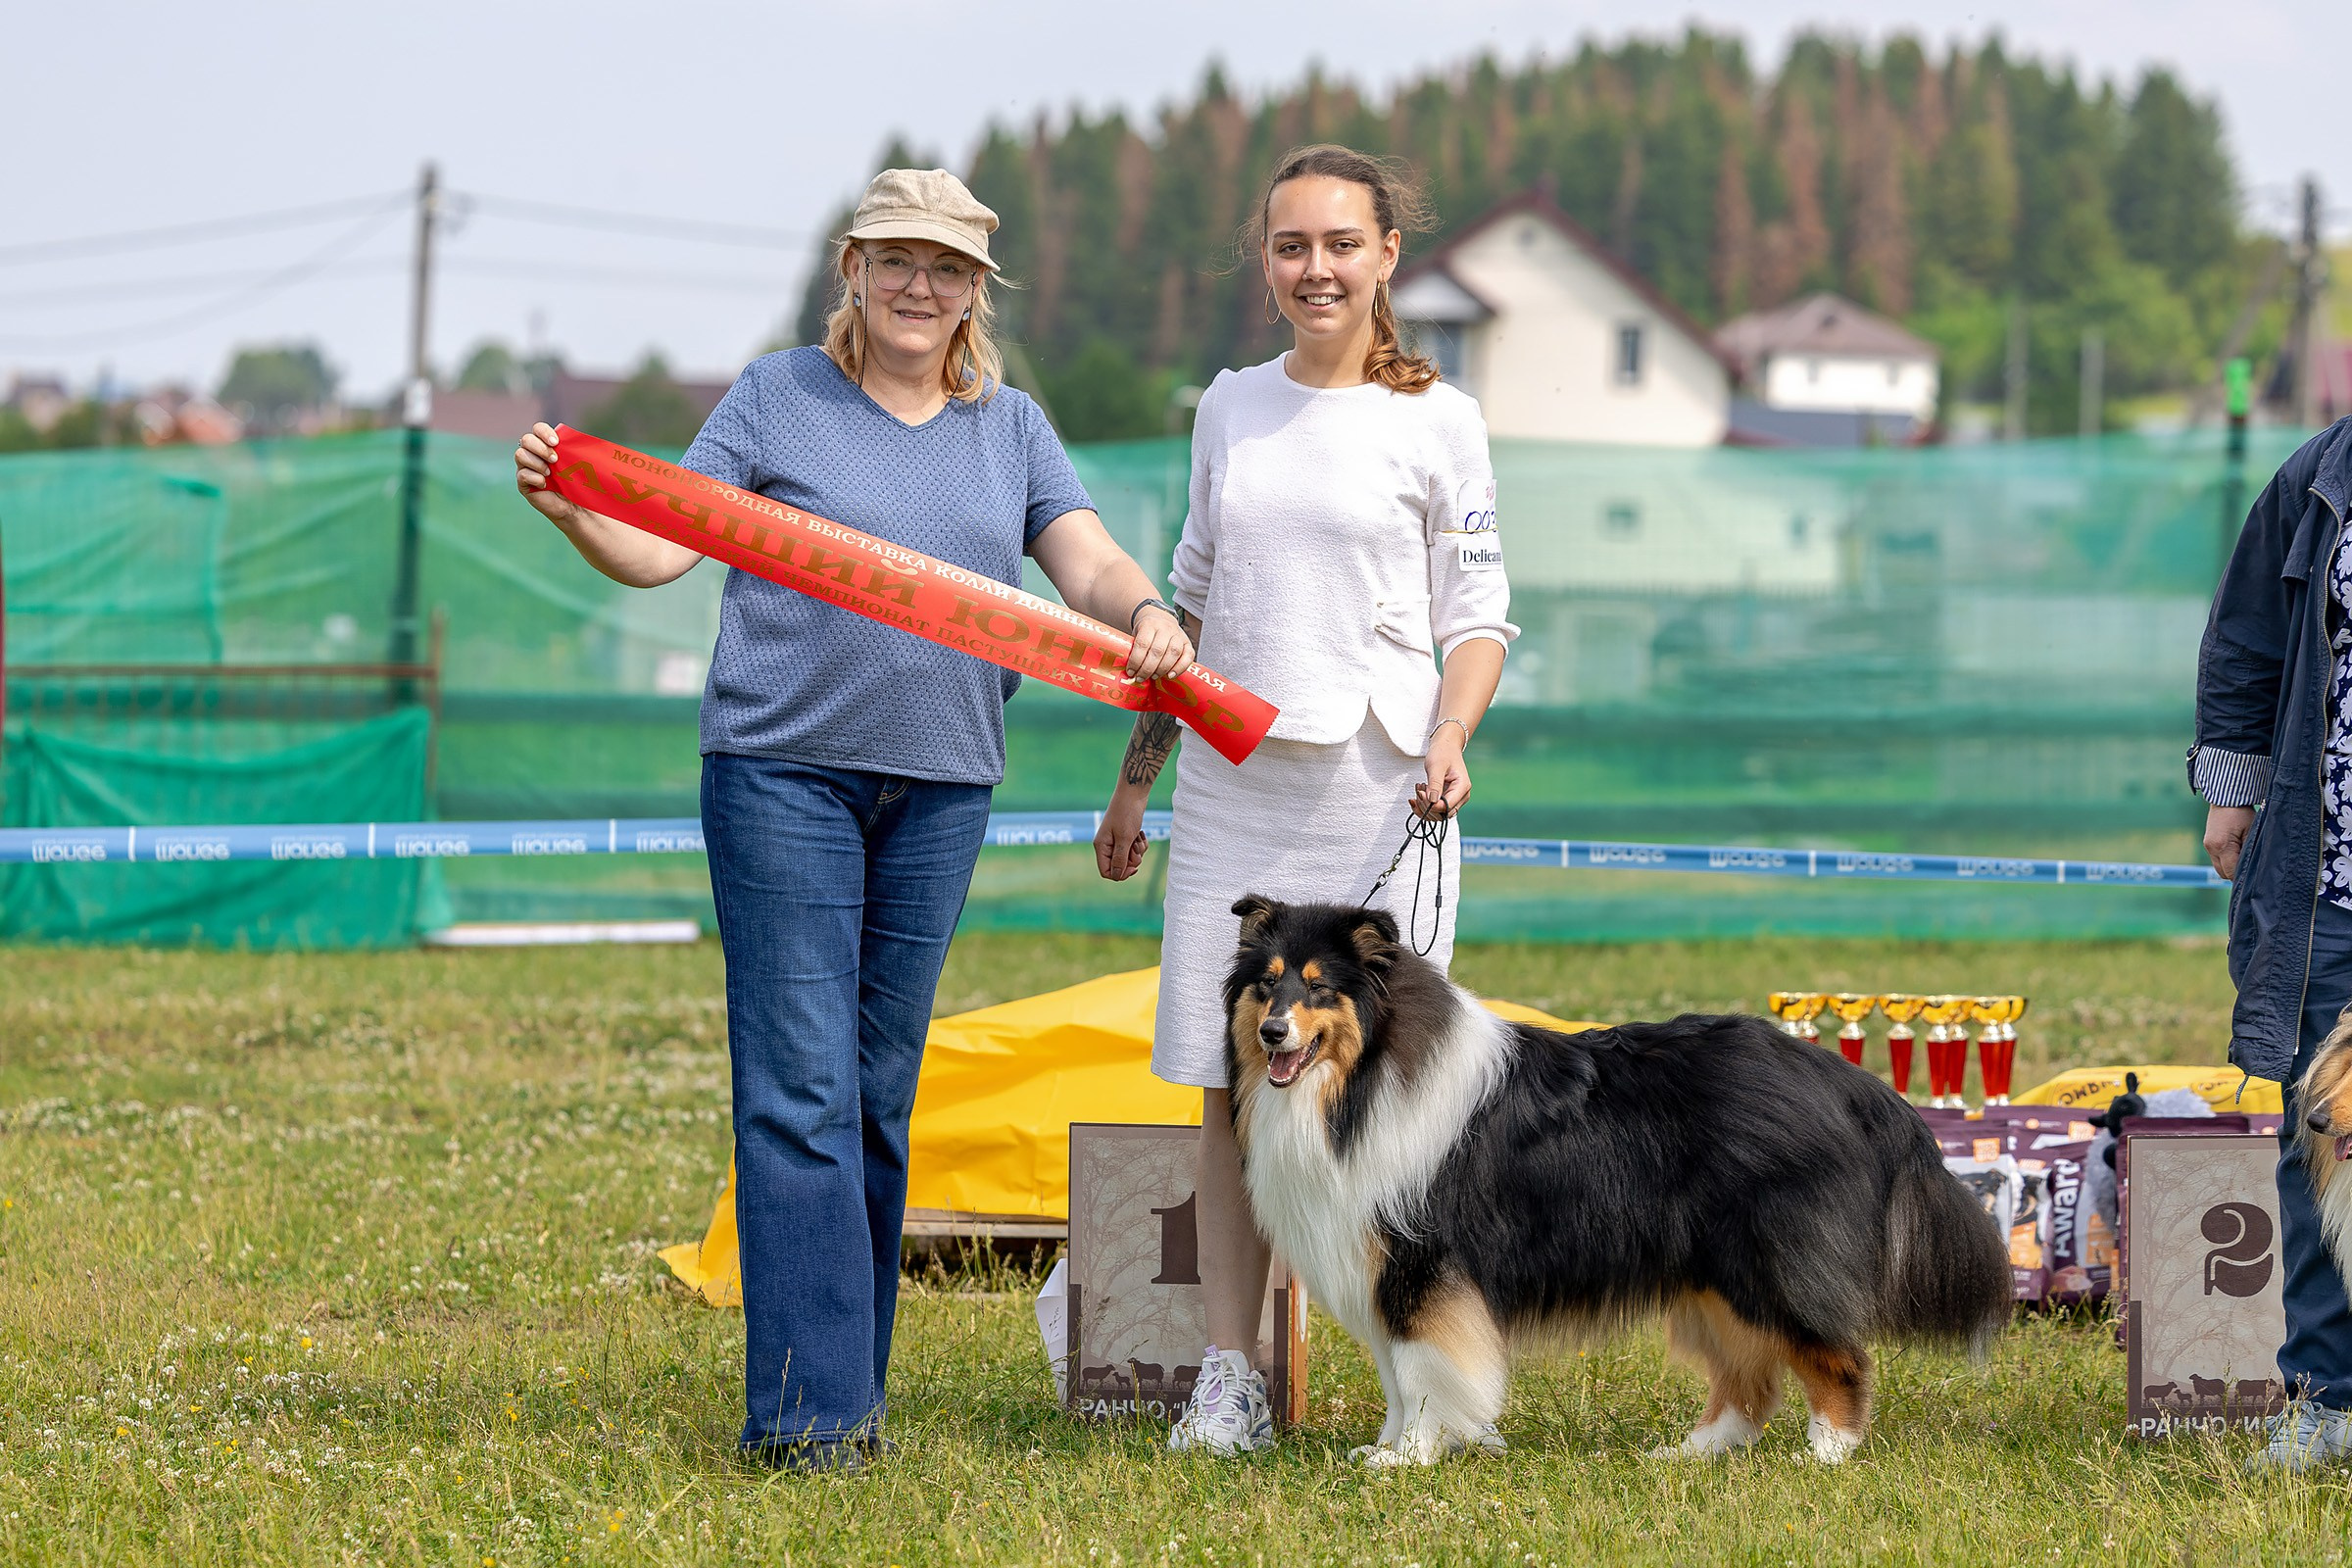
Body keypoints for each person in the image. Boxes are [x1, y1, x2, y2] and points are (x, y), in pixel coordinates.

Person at [515, 168, 1194, 1473]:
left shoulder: (1014, 429)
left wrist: (1145, 613)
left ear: (975, 292)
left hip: (941, 789)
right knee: (799, 1091)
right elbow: (664, 549)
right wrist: (575, 514)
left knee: (879, 1095)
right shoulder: (777, 397)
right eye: (896, 261)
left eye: (946, 269)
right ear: (855, 269)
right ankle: (809, 1423)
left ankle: (843, 1391)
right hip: (782, 779)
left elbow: (1090, 561)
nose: (919, 286)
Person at [1092, 144, 1516, 1454]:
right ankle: (1232, 1373)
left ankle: (1409, 1369)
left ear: (1389, 255)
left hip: (1382, 792)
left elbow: (1481, 616)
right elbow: (1191, 599)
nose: (1315, 268)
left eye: (1342, 243)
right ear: (1263, 260)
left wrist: (1453, 731)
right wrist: (1133, 785)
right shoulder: (1228, 405)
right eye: (1291, 246)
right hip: (1231, 793)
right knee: (1225, 1089)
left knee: (1391, 1098)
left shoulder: (1441, 418)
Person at [2193, 413, 2352, 1473]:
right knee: (2325, 1132)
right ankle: (2329, 1397)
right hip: (2327, 867)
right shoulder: (2322, 476)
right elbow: (2246, 635)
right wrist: (2234, 793)